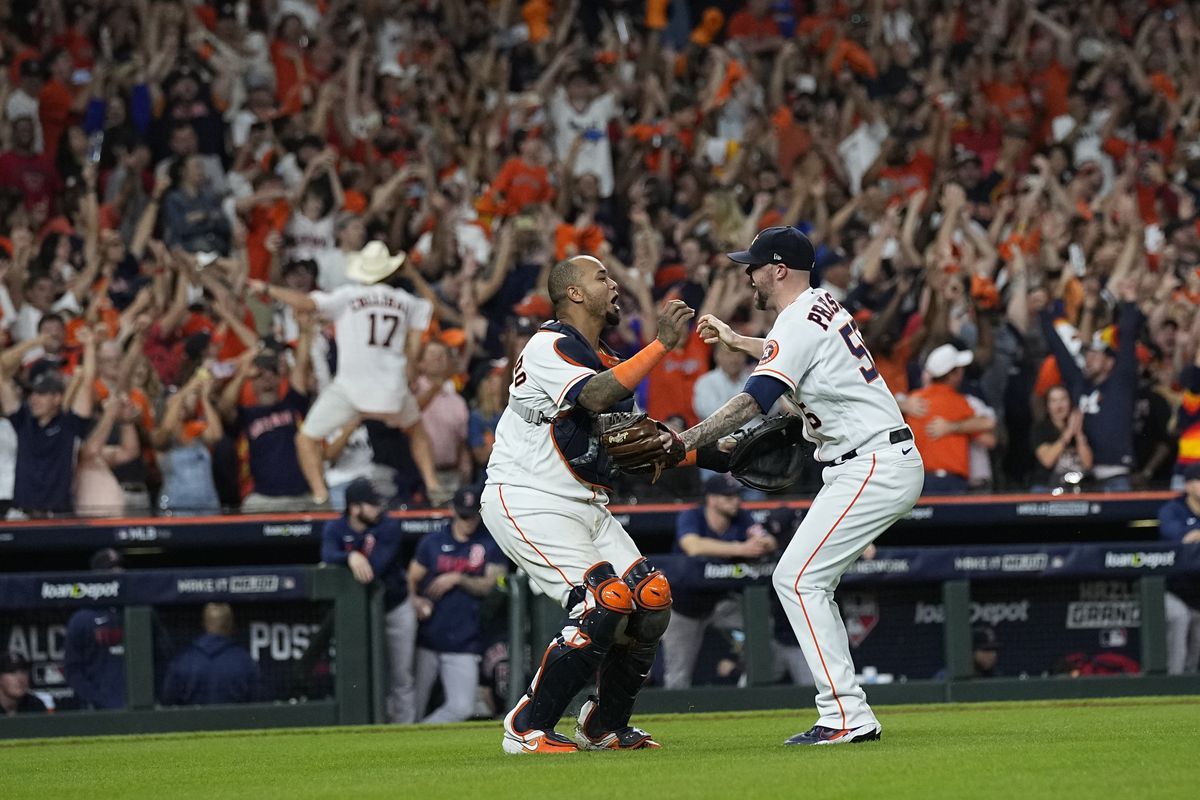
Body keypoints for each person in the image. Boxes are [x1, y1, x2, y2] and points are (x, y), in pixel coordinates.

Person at [679, 227, 924, 745]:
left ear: (779, 269)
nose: (749, 275)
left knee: (797, 579)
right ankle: (845, 711)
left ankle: (846, 715)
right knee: (805, 580)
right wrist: (741, 340)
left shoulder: (795, 324)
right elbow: (786, 353)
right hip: (872, 458)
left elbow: (753, 401)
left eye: (754, 267)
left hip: (872, 462)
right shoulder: (821, 306)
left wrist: (684, 443)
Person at [480, 253, 694, 753]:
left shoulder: (610, 363)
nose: (614, 283)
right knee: (604, 602)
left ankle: (604, 724)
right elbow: (594, 397)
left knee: (651, 601)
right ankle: (527, 725)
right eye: (602, 277)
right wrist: (662, 344)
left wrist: (719, 450)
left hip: (586, 506)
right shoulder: (547, 345)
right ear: (574, 293)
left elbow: (639, 443)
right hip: (529, 496)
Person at [249, 242, 441, 506]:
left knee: (306, 440)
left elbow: (305, 303)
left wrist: (267, 288)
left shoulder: (349, 296)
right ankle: (433, 485)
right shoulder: (405, 301)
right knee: (417, 431)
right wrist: (414, 276)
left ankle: (320, 496)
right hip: (391, 389)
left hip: (352, 389)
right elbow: (430, 307)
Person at [661, 474, 777, 689]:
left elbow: (768, 539)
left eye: (736, 496)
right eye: (729, 497)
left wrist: (762, 544)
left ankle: (744, 674)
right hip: (683, 607)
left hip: (720, 602)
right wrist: (741, 549)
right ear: (712, 499)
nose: (736, 501)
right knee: (677, 676)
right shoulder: (693, 515)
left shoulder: (742, 517)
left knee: (762, 628)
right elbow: (692, 546)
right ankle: (677, 714)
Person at [319, 477, 416, 723]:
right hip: (355, 616)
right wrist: (350, 556)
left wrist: (353, 556)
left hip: (395, 608)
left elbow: (375, 566)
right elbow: (327, 553)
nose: (378, 508)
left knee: (401, 675)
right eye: (371, 504)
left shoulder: (388, 527)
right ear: (354, 508)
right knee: (362, 674)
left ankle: (405, 731)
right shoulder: (336, 528)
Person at [408, 486, 507, 723]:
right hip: (428, 638)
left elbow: (492, 584)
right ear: (453, 510)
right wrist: (416, 599)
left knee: (462, 707)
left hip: (465, 640)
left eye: (472, 515)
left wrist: (457, 578)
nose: (468, 522)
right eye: (463, 515)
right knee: (411, 707)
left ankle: (420, 737)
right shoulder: (433, 542)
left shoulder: (489, 543)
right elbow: (411, 578)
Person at [1040, 284, 1143, 492]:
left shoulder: (1120, 383)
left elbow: (1128, 341)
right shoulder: (1080, 385)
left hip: (1117, 476)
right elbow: (1061, 352)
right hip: (1084, 478)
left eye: (1096, 355)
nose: (1089, 359)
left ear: (1110, 362)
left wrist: (1130, 303)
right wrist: (1043, 313)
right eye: (1087, 355)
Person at [905, 344, 996, 495]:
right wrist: (956, 427)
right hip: (950, 482)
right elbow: (989, 435)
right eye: (959, 369)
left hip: (916, 482)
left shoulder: (913, 400)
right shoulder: (958, 403)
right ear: (952, 374)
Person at [64, 549, 127, 710]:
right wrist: (98, 701)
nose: (119, 572)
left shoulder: (141, 611)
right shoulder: (82, 619)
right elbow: (73, 671)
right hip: (100, 710)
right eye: (111, 569)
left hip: (141, 706)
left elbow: (161, 657)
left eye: (120, 567)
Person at [161, 603, 260, 706]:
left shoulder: (182, 662)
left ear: (204, 624)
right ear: (231, 625)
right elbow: (259, 706)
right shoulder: (245, 663)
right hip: (236, 722)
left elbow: (167, 704)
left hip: (192, 722)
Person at [1155, 464, 1200, 675]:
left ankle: (1190, 685)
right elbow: (1182, 538)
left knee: (1195, 650)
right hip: (1171, 589)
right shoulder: (1172, 509)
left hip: (1197, 592)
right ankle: (1173, 681)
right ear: (1188, 486)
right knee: (1180, 617)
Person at [1031, 385, 1094, 492]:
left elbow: (1088, 464)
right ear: (1047, 406)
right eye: (1054, 401)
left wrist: (1078, 434)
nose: (1059, 406)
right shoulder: (1040, 429)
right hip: (1046, 487)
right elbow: (1047, 461)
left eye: (1063, 399)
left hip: (1076, 488)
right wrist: (1069, 432)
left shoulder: (1081, 427)